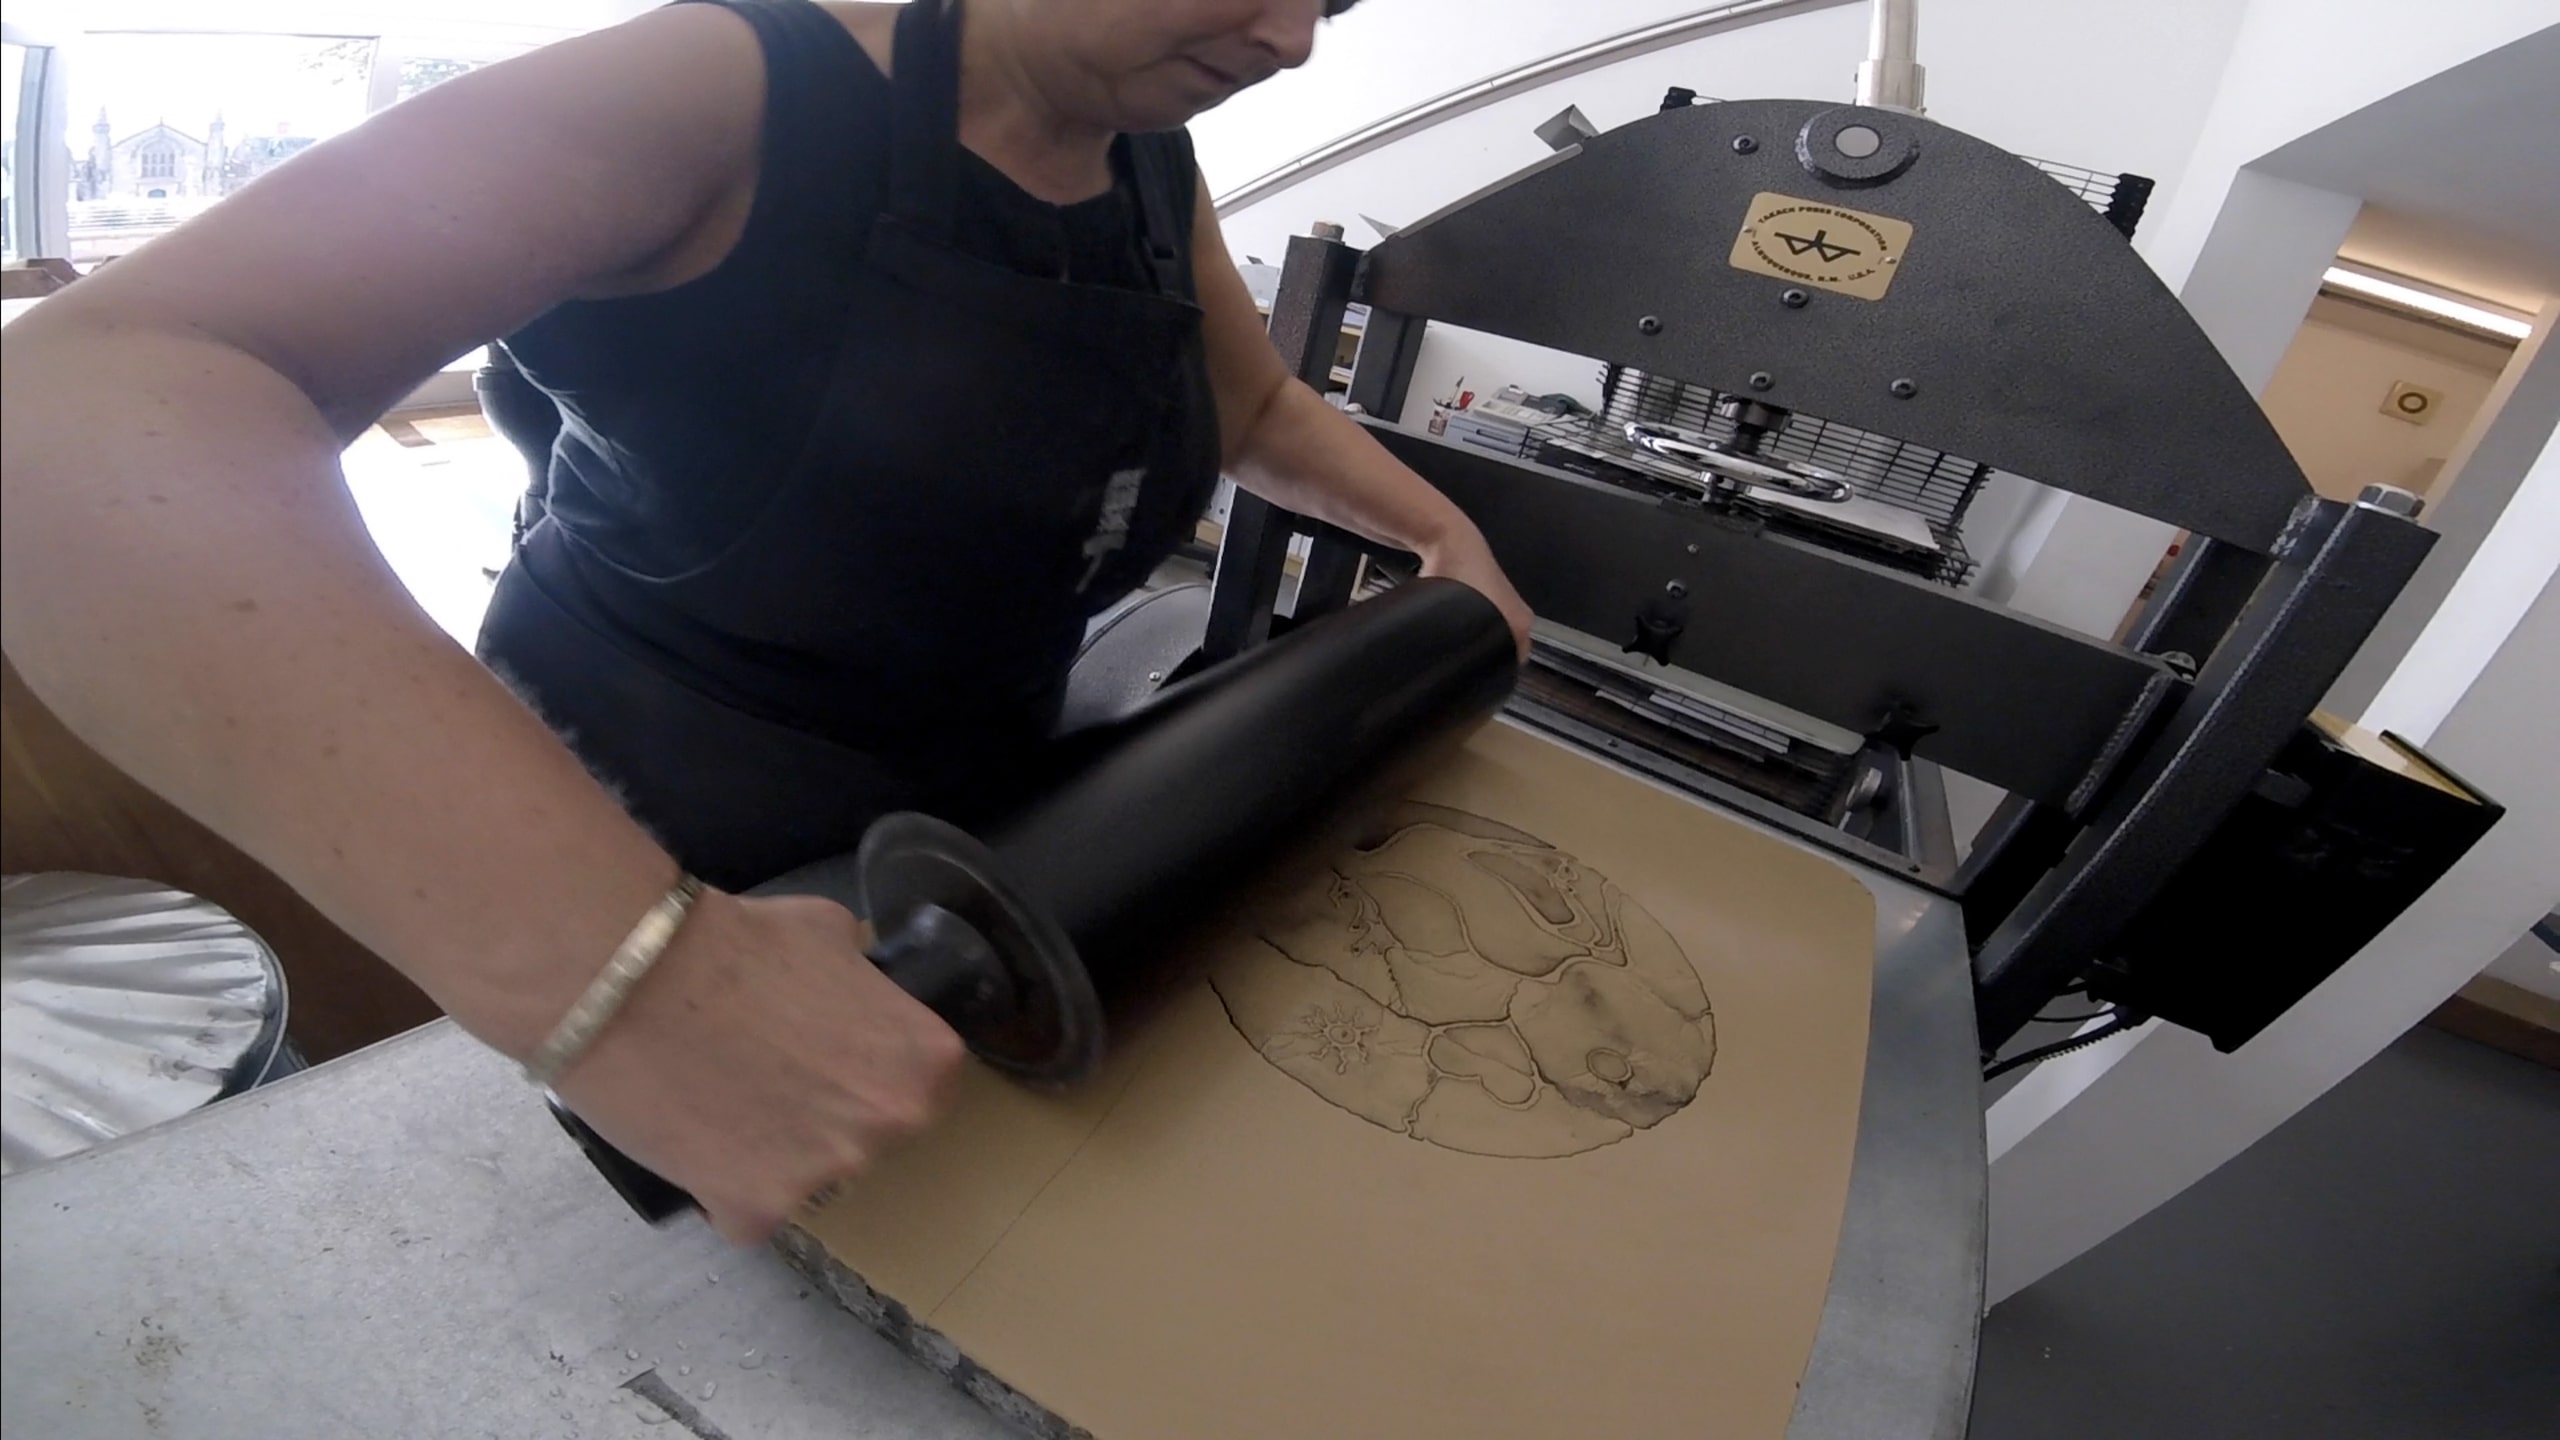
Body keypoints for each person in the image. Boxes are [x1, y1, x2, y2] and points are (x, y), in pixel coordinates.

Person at [0, 0, 1531, 1243]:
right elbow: (74, 411)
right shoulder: (725, 87)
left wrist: (1444, 540)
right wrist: (627, 974)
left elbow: (1246, 398)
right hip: (637, 831)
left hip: (979, 824)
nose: (1296, 41)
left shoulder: (1148, 156)